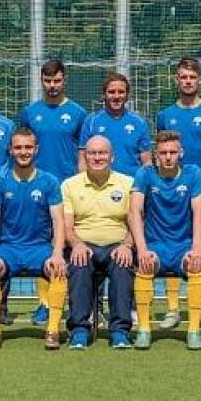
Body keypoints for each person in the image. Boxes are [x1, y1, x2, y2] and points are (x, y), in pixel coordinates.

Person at [0, 127, 68, 350]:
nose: (23, 152)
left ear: (36, 149)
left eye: (28, 147)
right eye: (18, 147)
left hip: (39, 249)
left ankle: (52, 330)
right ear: (10, 150)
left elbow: (59, 221)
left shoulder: (49, 182)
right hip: (8, 249)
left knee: (58, 271)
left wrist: (58, 253)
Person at [155, 57, 201, 327]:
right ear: (177, 80)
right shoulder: (165, 115)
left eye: (192, 77)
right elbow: (162, 150)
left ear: (200, 81)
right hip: (172, 190)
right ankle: (173, 308)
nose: (187, 81)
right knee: (172, 241)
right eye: (183, 77)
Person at [20, 58, 87, 324]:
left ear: (64, 80)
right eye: (47, 81)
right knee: (43, 244)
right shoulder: (29, 112)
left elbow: (82, 154)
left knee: (71, 244)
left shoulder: (78, 113)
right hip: (38, 189)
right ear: (41, 81)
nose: (52, 85)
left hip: (68, 189)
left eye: (57, 80)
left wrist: (81, 186)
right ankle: (45, 303)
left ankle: (75, 301)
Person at [127, 130, 201, 350]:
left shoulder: (193, 173)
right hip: (155, 246)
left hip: (183, 245)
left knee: (195, 265)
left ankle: (193, 330)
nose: (168, 157)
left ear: (181, 153)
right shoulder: (145, 174)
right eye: (163, 153)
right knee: (145, 265)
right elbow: (134, 212)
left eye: (172, 152)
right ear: (156, 155)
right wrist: (142, 250)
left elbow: (199, 213)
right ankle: (144, 329)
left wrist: (196, 249)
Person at [61, 135, 135, 350]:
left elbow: (136, 222)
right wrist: (76, 244)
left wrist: (127, 245)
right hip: (83, 244)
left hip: (117, 244)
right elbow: (67, 227)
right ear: (85, 157)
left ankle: (120, 331)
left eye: (102, 153)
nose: (97, 157)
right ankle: (79, 330)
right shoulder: (70, 185)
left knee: (122, 264)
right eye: (92, 153)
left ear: (112, 156)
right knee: (79, 263)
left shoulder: (128, 183)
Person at [79, 72, 151, 177]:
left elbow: (146, 162)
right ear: (104, 94)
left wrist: (143, 184)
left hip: (131, 183)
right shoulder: (91, 122)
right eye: (111, 92)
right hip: (99, 184)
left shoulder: (139, 123)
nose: (116, 96)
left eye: (121, 92)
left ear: (127, 95)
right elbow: (82, 159)